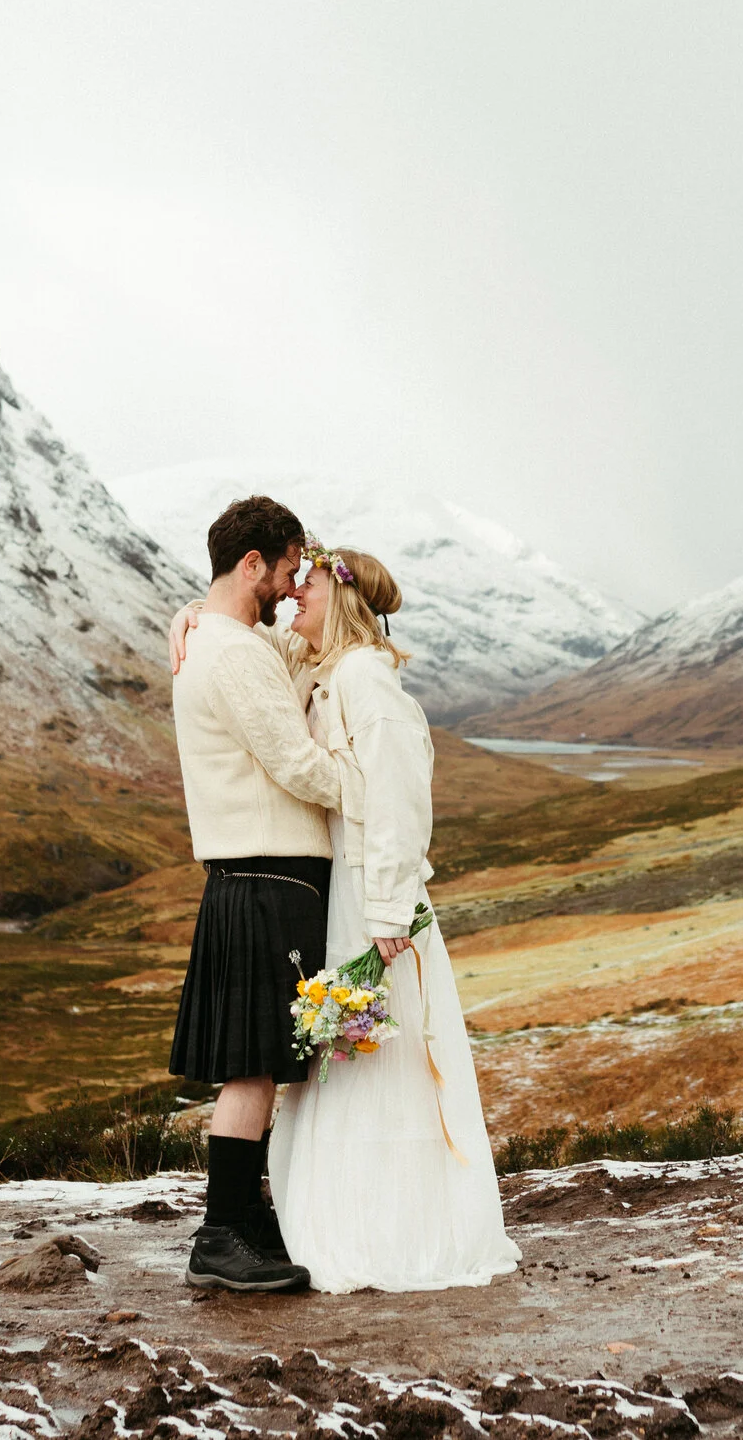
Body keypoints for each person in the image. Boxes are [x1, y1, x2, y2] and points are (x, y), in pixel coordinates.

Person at [171, 540, 520, 1294]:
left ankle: (391, 1232)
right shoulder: (328, 671)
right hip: (344, 897)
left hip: (375, 901)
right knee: (337, 1066)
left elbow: (397, 796)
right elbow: (242, 632)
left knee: (377, 1062)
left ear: (345, 596)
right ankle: (319, 1221)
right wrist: (195, 613)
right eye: (289, 579)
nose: (296, 593)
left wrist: (392, 909)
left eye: (311, 584)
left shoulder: (364, 677)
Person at [165, 495, 354, 1293]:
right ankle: (220, 1234)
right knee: (251, 1068)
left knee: (264, 1065)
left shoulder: (224, 640)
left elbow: (291, 646)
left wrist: (190, 610)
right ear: (251, 565)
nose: (287, 587)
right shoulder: (234, 655)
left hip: (257, 878)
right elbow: (294, 760)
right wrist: (370, 787)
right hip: (264, 878)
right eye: (282, 571)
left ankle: (245, 1220)